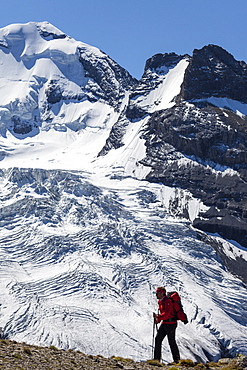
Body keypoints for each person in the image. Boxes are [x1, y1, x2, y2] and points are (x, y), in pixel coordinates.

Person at [153, 287, 180, 363]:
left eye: (157, 293)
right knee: (159, 339)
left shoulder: (167, 301)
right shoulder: (161, 301)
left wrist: (158, 317)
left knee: (170, 341)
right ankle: (156, 360)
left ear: (162, 293)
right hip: (166, 323)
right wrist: (158, 320)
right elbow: (165, 314)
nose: (156, 295)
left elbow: (167, 313)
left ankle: (177, 360)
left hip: (170, 324)